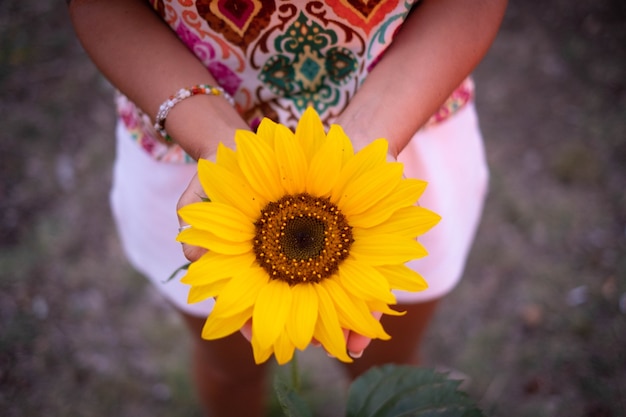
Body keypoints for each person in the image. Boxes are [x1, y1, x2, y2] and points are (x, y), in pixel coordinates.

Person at [68, 1, 507, 416]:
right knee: (230, 369)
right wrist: (219, 144)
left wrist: (371, 141)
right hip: (201, 165)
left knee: (385, 369)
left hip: (398, 132)